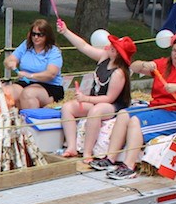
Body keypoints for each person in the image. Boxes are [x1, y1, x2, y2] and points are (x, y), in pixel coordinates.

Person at [90, 33, 176, 180]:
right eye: (174, 51)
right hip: (156, 107)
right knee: (124, 114)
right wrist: (145, 65)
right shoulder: (164, 63)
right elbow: (133, 66)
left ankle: (129, 166)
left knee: (135, 121)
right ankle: (110, 158)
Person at [56, 21, 134, 159]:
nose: (109, 46)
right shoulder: (104, 57)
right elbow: (84, 46)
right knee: (68, 107)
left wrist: (86, 99)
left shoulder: (119, 73)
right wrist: (66, 31)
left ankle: (87, 152)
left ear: (117, 53)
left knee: (95, 111)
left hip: (112, 105)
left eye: (113, 46)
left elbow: (109, 98)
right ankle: (72, 146)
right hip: (95, 99)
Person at [2, 18, 64, 109]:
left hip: (49, 86)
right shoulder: (26, 45)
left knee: (28, 94)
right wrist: (11, 63)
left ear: (47, 36)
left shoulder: (54, 52)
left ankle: (30, 120)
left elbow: (51, 74)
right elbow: (8, 61)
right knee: (6, 92)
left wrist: (30, 75)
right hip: (26, 82)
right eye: (33, 34)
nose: (36, 37)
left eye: (40, 35)